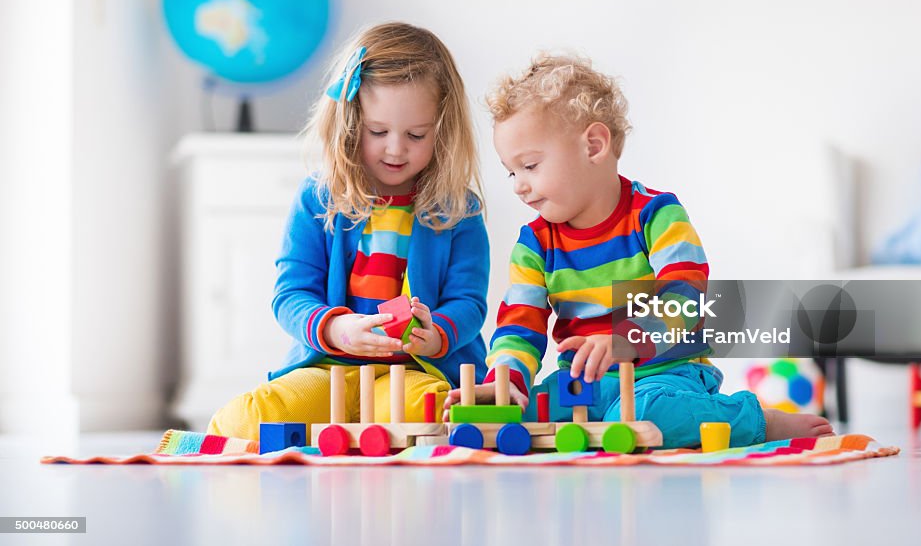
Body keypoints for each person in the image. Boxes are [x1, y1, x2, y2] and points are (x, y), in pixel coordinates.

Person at [443, 53, 832, 448]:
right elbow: (519, 324)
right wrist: (508, 379)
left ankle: (752, 420)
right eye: (512, 172)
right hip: (584, 385)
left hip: (664, 373)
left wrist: (623, 340)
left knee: (646, 413)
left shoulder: (655, 215)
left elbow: (686, 294)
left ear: (594, 145)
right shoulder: (535, 244)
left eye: (530, 166)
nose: (519, 186)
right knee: (513, 413)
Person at [209, 22, 489, 441]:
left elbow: (468, 301)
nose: (395, 148)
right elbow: (291, 294)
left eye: (416, 135)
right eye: (378, 132)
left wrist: (436, 337)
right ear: (350, 123)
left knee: (431, 411)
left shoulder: (459, 210)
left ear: (442, 131)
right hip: (330, 368)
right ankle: (362, 429)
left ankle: (378, 430)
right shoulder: (318, 199)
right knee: (246, 421)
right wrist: (335, 330)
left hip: (415, 370)